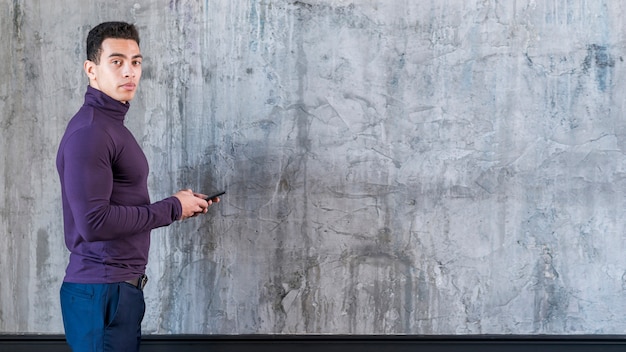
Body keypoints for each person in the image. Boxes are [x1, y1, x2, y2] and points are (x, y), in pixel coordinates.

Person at [56, 21, 218, 352]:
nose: (129, 71)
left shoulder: (110, 126)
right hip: (102, 292)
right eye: (116, 61)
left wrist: (180, 204)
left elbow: (118, 204)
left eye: (136, 62)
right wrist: (172, 208)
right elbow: (94, 222)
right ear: (92, 69)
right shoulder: (91, 132)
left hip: (117, 291)